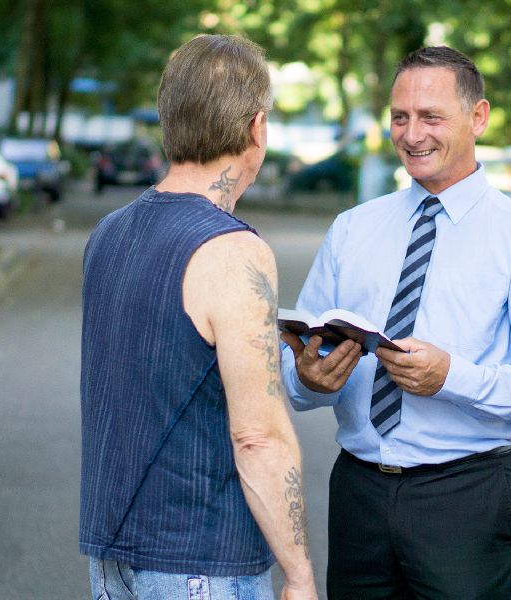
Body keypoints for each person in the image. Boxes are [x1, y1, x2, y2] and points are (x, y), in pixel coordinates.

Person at [279, 45, 511, 600]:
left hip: (467, 497)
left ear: (479, 117)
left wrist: (453, 378)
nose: (412, 134)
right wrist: (305, 378)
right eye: (400, 117)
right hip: (358, 493)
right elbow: (295, 362)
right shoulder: (352, 229)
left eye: (431, 117)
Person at [79, 34, 317, 600]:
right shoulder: (234, 252)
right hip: (202, 560)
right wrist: (300, 575)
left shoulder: (108, 233)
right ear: (257, 128)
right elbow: (258, 436)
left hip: (113, 554)